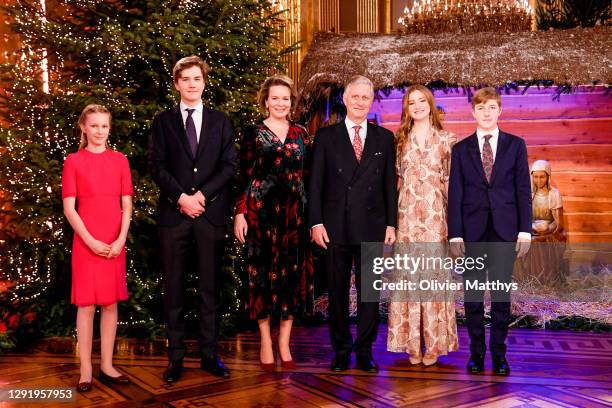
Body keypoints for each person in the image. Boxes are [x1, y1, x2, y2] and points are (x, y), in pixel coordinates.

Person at [149, 55, 237, 382]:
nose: (191, 84)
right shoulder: (163, 122)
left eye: (196, 78)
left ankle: (209, 355)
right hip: (174, 217)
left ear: (204, 82)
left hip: (209, 215)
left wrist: (201, 197)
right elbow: (156, 166)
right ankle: (175, 358)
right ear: (176, 84)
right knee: (173, 290)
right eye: (185, 79)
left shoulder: (220, 121)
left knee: (210, 288)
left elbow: (228, 166)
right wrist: (181, 198)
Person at [309, 75, 398, 373]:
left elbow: (389, 186)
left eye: (365, 97)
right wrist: (316, 223)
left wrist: (390, 224)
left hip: (372, 225)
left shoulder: (385, 138)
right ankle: (341, 350)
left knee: (369, 293)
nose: (360, 102)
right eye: (355, 97)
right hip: (334, 227)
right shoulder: (325, 137)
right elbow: (315, 185)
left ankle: (364, 351)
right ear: (345, 100)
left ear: (371, 102)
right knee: (335, 292)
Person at [448, 87, 532, 376]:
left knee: (499, 296)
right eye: (481, 108)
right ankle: (476, 353)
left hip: (504, 232)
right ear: (473, 112)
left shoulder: (515, 146)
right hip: (471, 233)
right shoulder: (460, 150)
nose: (486, 113)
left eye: (492, 107)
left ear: (500, 111)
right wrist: (455, 234)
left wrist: (524, 231)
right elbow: (455, 193)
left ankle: (499, 355)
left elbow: (523, 190)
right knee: (472, 295)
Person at [234, 75, 314, 371]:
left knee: (292, 280)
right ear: (265, 101)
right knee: (263, 279)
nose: (280, 103)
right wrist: (240, 213)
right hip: (260, 215)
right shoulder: (253, 133)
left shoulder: (302, 133)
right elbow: (244, 176)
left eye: (285, 98)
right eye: (275, 98)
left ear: (291, 102)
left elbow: (308, 176)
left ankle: (285, 342)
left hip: (295, 217)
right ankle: (267, 341)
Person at [62, 104, 133, 392]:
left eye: (104, 126)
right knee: (87, 304)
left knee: (110, 302)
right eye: (94, 126)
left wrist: (120, 239)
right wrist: (90, 240)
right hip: (86, 240)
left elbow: (126, 205)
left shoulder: (120, 161)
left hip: (114, 240)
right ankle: (86, 368)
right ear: (84, 127)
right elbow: (69, 208)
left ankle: (106, 364)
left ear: (109, 128)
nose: (100, 131)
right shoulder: (73, 161)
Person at [386, 85, 459, 366]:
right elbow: (393, 184)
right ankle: (410, 344)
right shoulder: (399, 140)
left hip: (435, 219)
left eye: (421, 101)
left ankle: (434, 344)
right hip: (406, 219)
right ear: (406, 108)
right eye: (411, 102)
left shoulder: (447, 140)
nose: (416, 106)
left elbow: (453, 185)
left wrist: (455, 225)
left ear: (430, 104)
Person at [514, 159, 567, 286]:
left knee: (537, 243)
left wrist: (548, 228)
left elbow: (558, 223)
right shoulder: (527, 194)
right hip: (530, 229)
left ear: (548, 176)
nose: (538, 180)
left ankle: (540, 281)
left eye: (542, 177)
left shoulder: (553, 194)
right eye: (535, 177)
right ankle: (522, 280)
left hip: (549, 233)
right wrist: (530, 227)